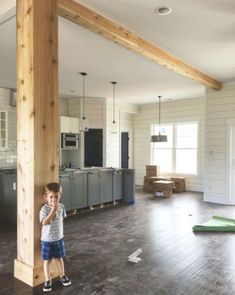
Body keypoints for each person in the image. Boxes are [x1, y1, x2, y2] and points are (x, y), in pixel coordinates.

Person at [39, 182, 71, 293]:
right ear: (46, 197)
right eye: (51, 197)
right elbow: (45, 222)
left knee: (59, 258)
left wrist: (57, 209)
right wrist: (53, 210)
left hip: (59, 239)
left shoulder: (61, 207)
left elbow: (62, 219)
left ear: (60, 196)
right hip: (47, 240)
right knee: (47, 260)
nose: (54, 199)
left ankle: (62, 275)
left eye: (56, 197)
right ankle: (48, 280)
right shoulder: (44, 209)